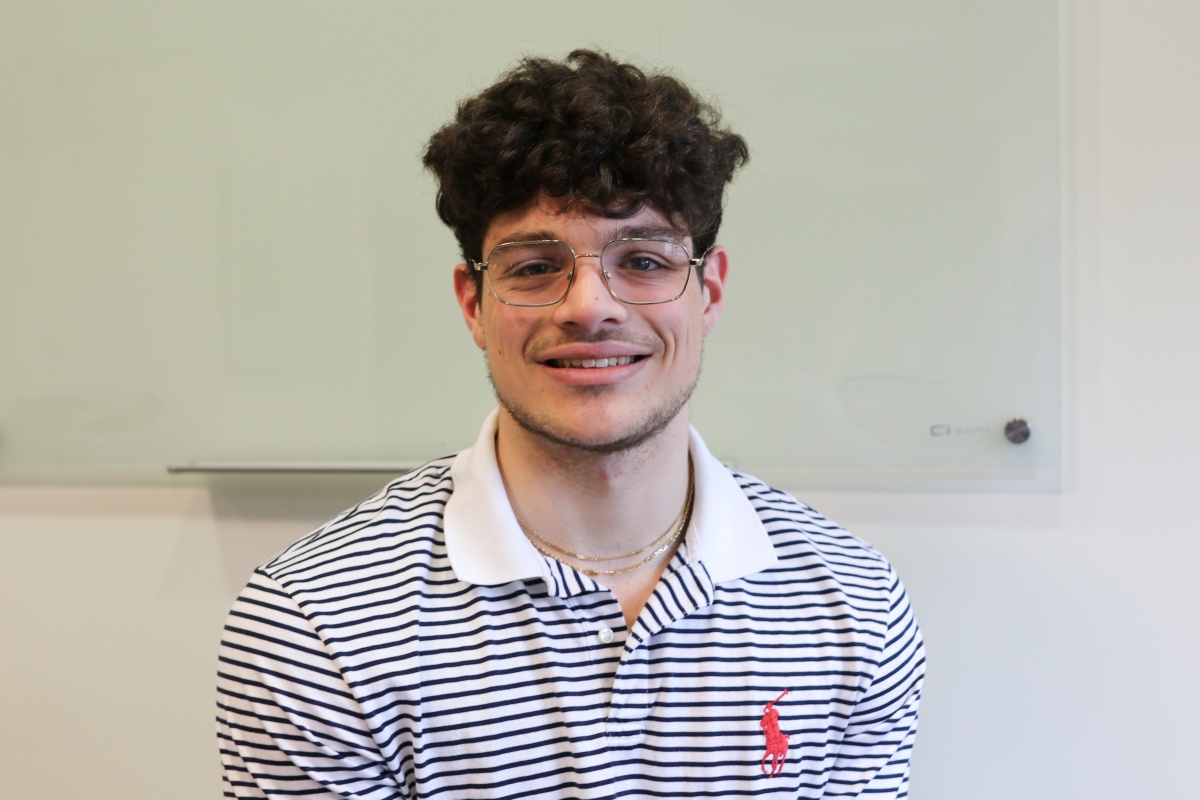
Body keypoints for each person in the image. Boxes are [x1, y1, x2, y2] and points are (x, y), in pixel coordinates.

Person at [216, 49, 925, 799]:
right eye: (532, 267)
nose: (590, 306)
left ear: (708, 294)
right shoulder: (316, 625)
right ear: (472, 305)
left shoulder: (853, 608)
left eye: (645, 261)